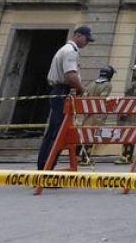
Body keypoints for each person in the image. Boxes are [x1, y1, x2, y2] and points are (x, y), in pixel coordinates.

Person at [36, 25, 94, 170]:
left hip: (60, 92)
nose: (87, 43)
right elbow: (70, 75)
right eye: (87, 40)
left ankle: (44, 167)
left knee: (54, 131)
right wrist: (82, 90)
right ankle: (46, 170)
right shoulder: (71, 51)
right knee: (57, 133)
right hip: (63, 92)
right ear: (78, 36)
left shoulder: (66, 50)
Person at [76, 64, 115, 166]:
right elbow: (102, 99)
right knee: (91, 136)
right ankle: (86, 159)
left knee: (84, 134)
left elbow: (84, 96)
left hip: (88, 113)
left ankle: (78, 157)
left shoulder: (91, 83)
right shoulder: (107, 85)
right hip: (97, 114)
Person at [116, 63, 136, 165]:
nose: (134, 72)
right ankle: (124, 155)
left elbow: (135, 98)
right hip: (130, 109)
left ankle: (127, 156)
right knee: (126, 132)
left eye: (135, 71)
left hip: (132, 111)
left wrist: (126, 110)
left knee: (130, 132)